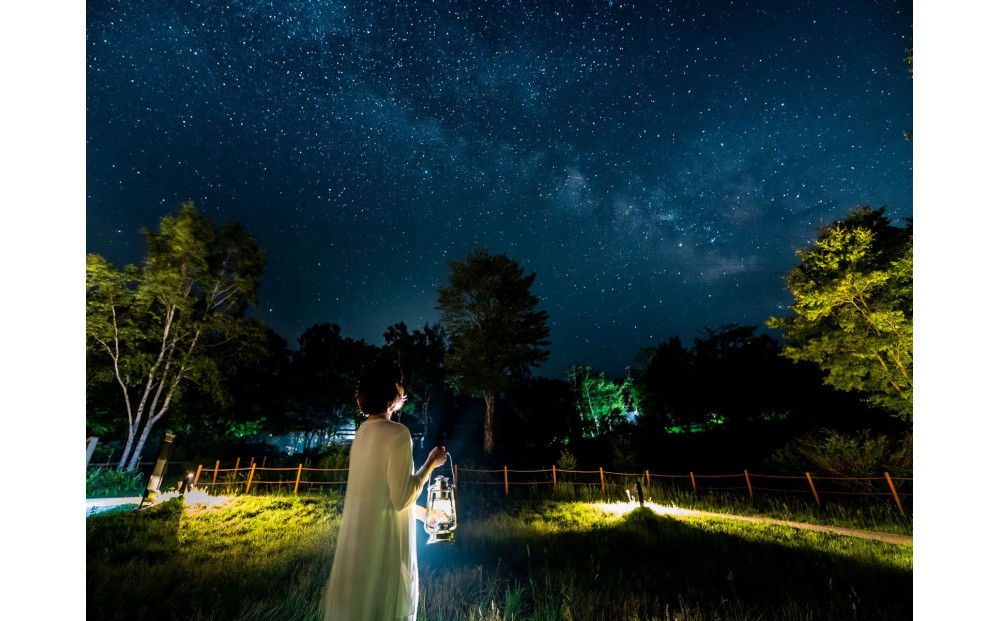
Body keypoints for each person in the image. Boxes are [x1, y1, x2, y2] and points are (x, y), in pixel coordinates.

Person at [323, 360, 448, 621]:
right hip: (385, 550)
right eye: (399, 383)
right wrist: (430, 465)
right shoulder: (398, 434)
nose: (404, 389)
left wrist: (425, 513)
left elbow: (381, 495)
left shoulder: (362, 434)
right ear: (391, 392)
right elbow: (401, 497)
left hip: (359, 551)